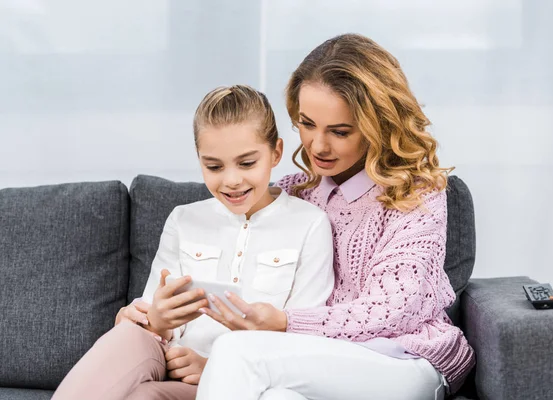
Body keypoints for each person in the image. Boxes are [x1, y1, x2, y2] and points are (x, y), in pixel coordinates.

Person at [195, 34, 476, 400]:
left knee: (237, 353)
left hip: (405, 359)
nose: (318, 145)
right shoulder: (294, 192)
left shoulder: (415, 194)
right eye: (307, 124)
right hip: (318, 358)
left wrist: (285, 323)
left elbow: (394, 309)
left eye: (340, 131)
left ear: (379, 126)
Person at [52, 85, 335, 400]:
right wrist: (156, 321)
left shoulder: (309, 224)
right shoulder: (183, 220)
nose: (231, 180)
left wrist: (215, 367)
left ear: (276, 152)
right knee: (131, 334)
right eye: (214, 166)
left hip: (250, 384)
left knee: (144, 397)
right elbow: (152, 313)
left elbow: (305, 339)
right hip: (172, 365)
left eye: (246, 163)